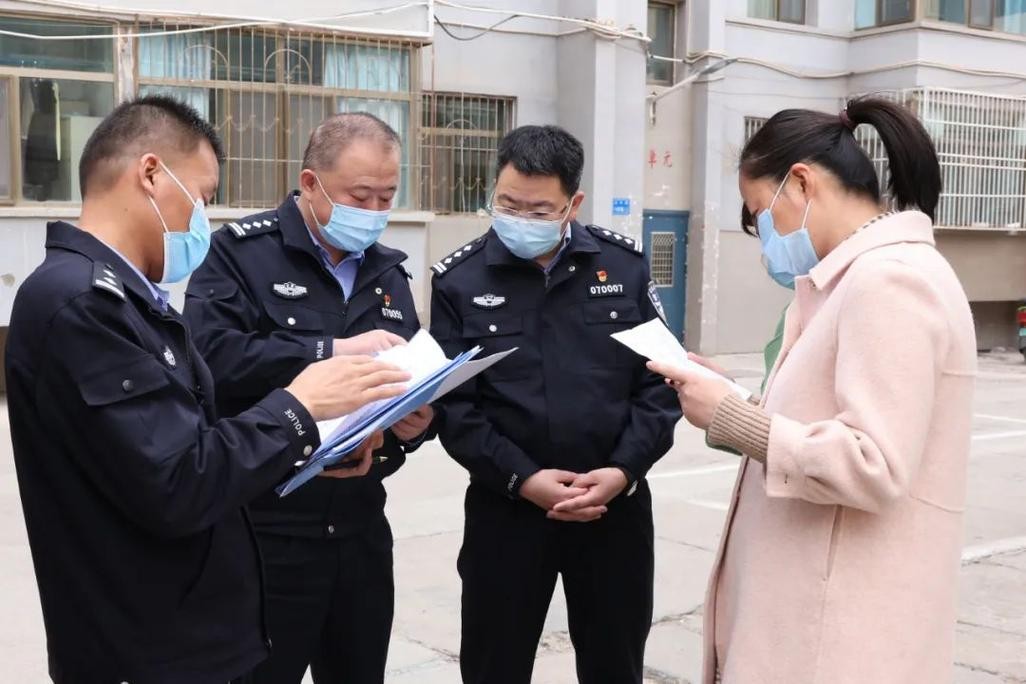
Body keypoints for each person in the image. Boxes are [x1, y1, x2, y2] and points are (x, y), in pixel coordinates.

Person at [3, 96, 410, 684]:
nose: (202, 218)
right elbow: (181, 479)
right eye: (202, 195)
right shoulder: (84, 305)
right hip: (144, 641)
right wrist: (300, 405)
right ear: (150, 174)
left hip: (191, 618)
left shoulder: (128, 300)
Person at [647, 97, 977, 684]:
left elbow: (872, 461)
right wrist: (733, 401)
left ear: (800, 183)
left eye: (761, 215)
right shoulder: (857, 280)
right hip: (823, 622)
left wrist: (732, 418)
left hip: (835, 639)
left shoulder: (889, 281)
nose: (766, 239)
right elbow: (829, 421)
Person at [183, 112, 432, 684]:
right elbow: (210, 355)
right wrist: (328, 351)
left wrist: (410, 428)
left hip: (360, 532)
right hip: (266, 534)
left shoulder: (389, 275)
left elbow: (405, 379)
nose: (374, 211)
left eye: (387, 197)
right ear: (311, 183)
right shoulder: (240, 254)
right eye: (360, 196)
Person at [429, 124, 681, 684]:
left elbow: (662, 384)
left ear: (573, 204)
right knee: (494, 664)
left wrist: (623, 470)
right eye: (507, 204)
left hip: (613, 511)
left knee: (615, 663)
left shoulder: (624, 268)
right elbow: (454, 407)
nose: (520, 219)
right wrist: (523, 478)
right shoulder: (460, 281)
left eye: (539, 210)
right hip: (507, 512)